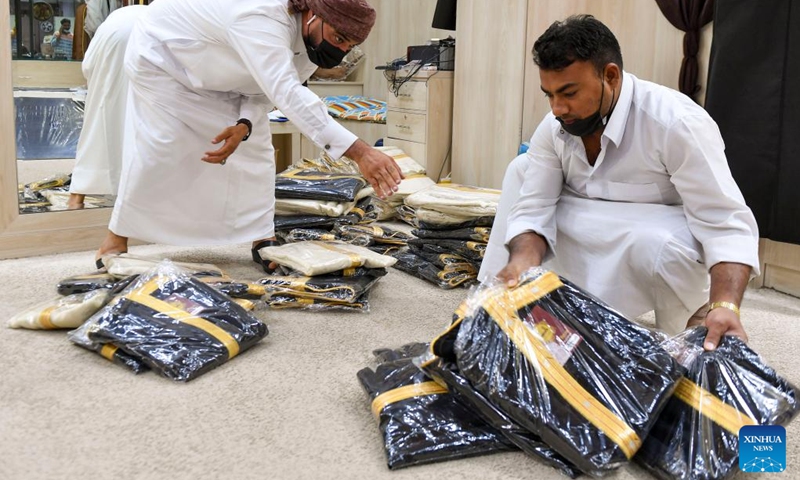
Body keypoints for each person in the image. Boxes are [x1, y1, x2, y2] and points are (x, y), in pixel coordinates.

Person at [480, 15, 759, 351]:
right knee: (521, 169)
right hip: (587, 220)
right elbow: (534, 205)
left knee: (663, 248)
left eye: (569, 92)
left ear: (610, 76)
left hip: (658, 237)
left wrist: (725, 304)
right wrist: (523, 262)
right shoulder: (555, 126)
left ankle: (692, 328)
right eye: (549, 95)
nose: (557, 108)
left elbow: (725, 222)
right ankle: (502, 305)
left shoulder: (676, 123)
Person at [94, 0, 403, 271]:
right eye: (338, 38)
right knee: (163, 146)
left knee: (255, 150)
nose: (340, 50)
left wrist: (243, 125)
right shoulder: (262, 17)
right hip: (166, 61)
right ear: (311, 14)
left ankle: (262, 237)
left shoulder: (311, 46)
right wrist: (361, 152)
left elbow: (263, 92)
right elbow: (287, 92)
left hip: (224, 71)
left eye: (348, 46)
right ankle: (114, 241)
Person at [68, 5, 148, 210]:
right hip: (146, 42)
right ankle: (137, 195)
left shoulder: (119, 16)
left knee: (96, 130)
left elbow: (87, 67)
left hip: (111, 45)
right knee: (141, 128)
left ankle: (76, 198)